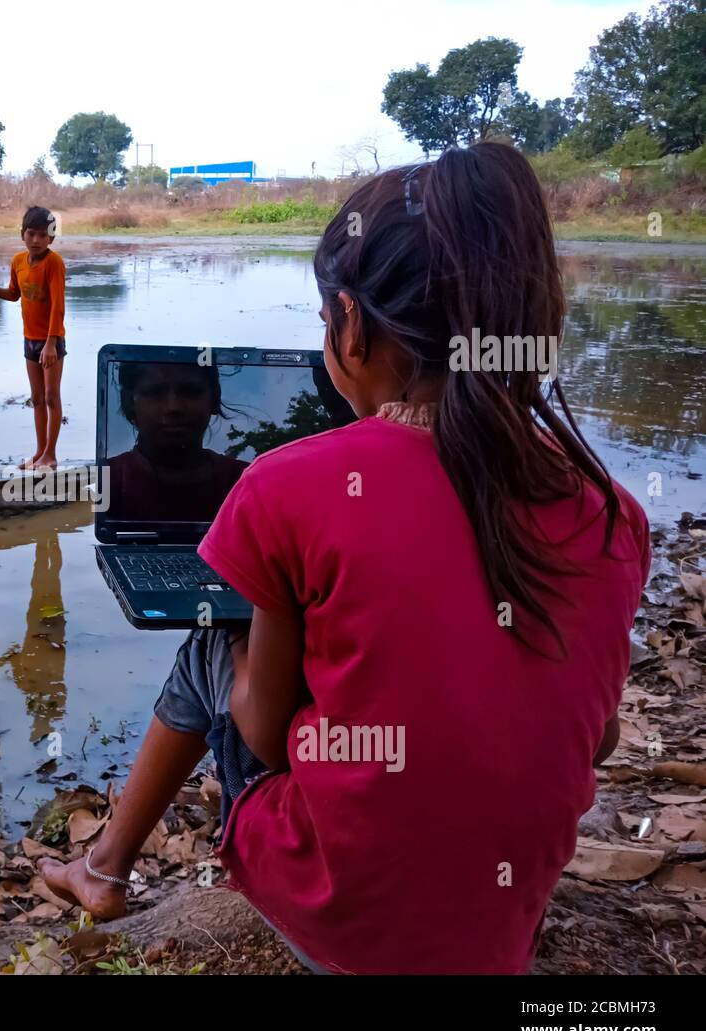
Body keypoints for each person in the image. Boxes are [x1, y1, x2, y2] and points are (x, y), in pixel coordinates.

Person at [38, 142, 651, 975]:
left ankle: (103, 868)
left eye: (326, 318)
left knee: (212, 642)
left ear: (350, 326)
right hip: (498, 928)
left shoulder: (285, 484)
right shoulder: (613, 511)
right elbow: (600, 738)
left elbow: (264, 733)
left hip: (342, 922)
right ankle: (107, 866)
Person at [0, 205, 66, 471]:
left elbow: (58, 306)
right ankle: (39, 452)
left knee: (51, 396)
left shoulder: (54, 263)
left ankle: (50, 454)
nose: (36, 240)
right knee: (36, 398)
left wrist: (51, 344)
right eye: (31, 234)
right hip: (30, 340)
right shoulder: (17, 261)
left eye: (42, 235)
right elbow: (14, 294)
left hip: (51, 341)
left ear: (51, 238)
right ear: (22, 234)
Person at [106, 362, 249, 523]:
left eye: (190, 392)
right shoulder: (103, 480)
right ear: (129, 402)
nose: (173, 407)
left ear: (214, 399)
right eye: (155, 392)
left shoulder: (248, 482)